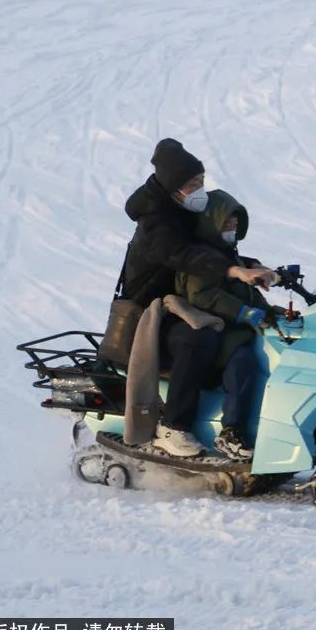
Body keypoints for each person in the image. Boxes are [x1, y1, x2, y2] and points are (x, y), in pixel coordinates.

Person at [121, 138, 275, 457]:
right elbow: (185, 255)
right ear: (175, 186)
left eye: (202, 181)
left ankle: (235, 424)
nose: (200, 189)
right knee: (199, 338)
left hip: (181, 304)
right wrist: (233, 271)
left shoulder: (181, 209)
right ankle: (174, 427)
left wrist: (249, 265)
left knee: (234, 340)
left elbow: (210, 246)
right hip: (151, 314)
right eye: (193, 183)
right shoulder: (156, 222)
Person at [175, 189, 281, 460]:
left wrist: (269, 311)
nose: (232, 229)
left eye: (235, 224)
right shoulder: (199, 256)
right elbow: (202, 295)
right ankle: (231, 431)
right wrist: (243, 313)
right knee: (243, 361)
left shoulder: (229, 254)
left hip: (235, 326)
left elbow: (246, 291)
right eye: (226, 224)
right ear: (212, 223)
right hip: (214, 329)